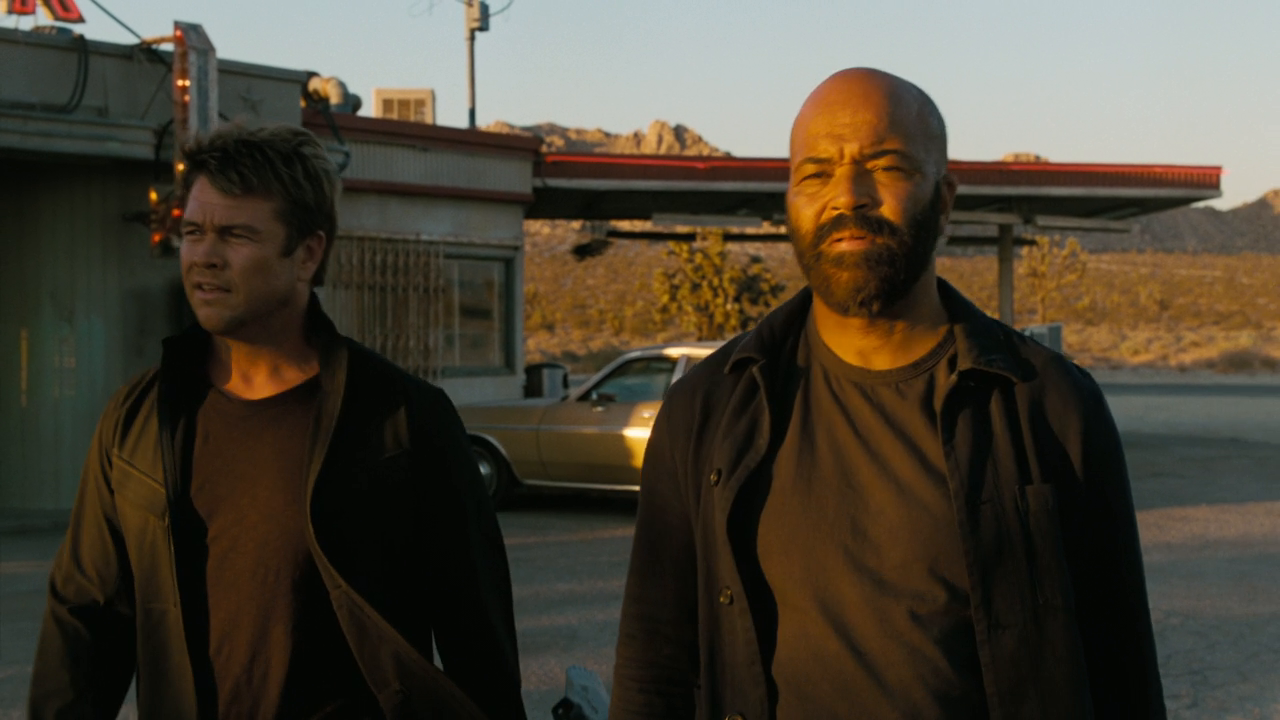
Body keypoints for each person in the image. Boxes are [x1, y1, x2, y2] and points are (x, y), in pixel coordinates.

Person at [610, 68, 1165, 720]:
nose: (848, 195)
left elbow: (1121, 669)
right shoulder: (706, 410)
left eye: (887, 166)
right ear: (789, 201)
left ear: (945, 199)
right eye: (816, 173)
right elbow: (654, 668)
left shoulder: (1051, 405)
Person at [29, 125, 526, 720]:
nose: (205, 256)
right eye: (193, 232)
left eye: (236, 234)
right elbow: (84, 620)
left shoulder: (402, 419)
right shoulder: (138, 418)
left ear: (308, 254)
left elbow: (479, 641)